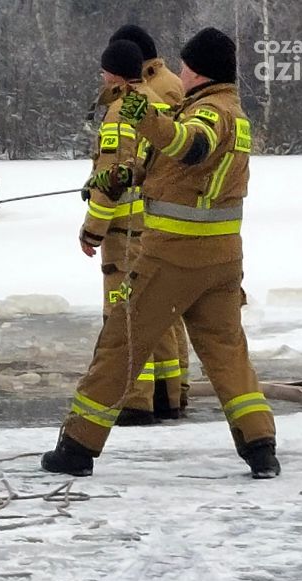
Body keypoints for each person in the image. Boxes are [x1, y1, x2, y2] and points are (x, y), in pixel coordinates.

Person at [42, 27, 280, 479]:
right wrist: (126, 176)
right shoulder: (231, 112)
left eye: (187, 66)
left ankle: (77, 446)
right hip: (223, 262)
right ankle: (260, 446)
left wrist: (133, 105)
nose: (180, 73)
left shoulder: (212, 113)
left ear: (201, 71)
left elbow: (188, 147)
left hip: (174, 257)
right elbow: (181, 172)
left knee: (122, 344)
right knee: (227, 352)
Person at [79, 40, 181, 427]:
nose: (102, 78)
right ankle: (167, 396)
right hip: (156, 224)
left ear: (115, 74)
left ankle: (135, 402)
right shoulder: (155, 102)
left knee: (123, 314)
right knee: (157, 311)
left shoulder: (121, 111)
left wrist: (91, 230)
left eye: (104, 71)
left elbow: (113, 180)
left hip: (126, 234)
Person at [110, 24, 192, 414]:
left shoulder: (160, 89)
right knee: (165, 305)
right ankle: (172, 392)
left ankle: (159, 394)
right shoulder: (157, 84)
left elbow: (168, 147)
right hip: (152, 203)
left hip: (148, 210)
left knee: (150, 306)